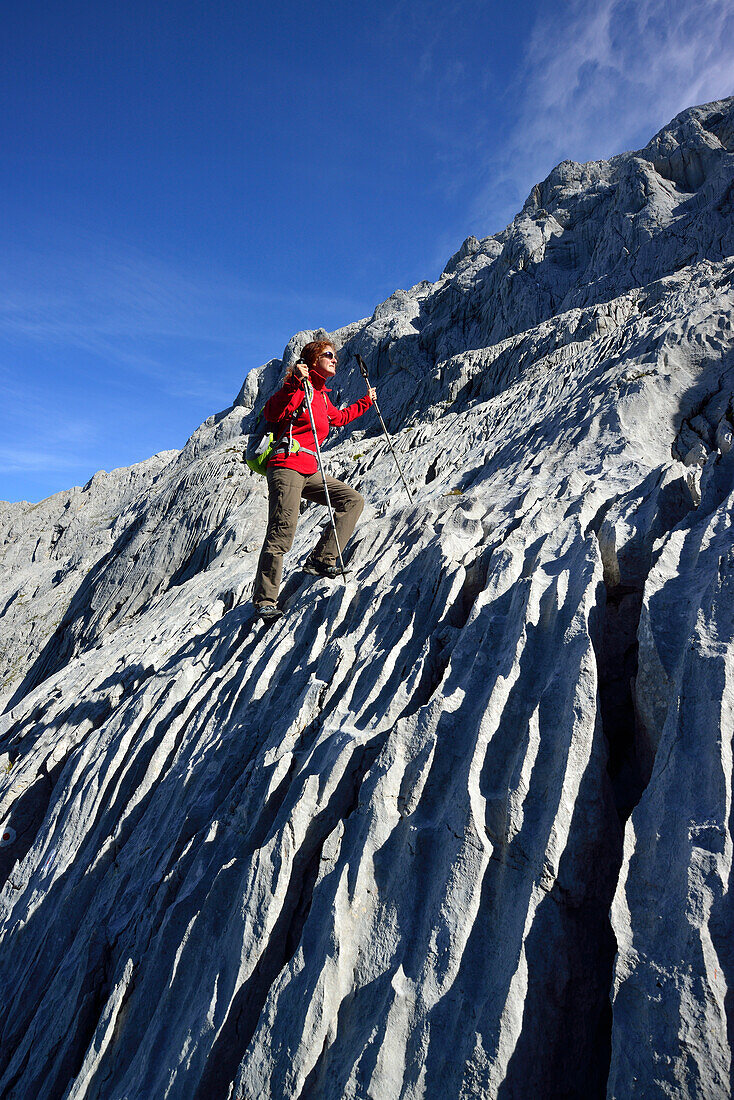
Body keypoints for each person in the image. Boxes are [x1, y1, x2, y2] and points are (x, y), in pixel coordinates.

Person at [253, 339, 376, 620]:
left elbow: (340, 418)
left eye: (335, 356)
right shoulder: (300, 387)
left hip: (308, 469)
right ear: (312, 360)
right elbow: (273, 412)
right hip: (286, 465)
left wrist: (367, 401)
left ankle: (322, 559)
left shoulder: (320, 395)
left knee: (352, 500)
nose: (335, 360)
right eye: (328, 355)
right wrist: (294, 383)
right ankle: (265, 599)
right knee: (282, 529)